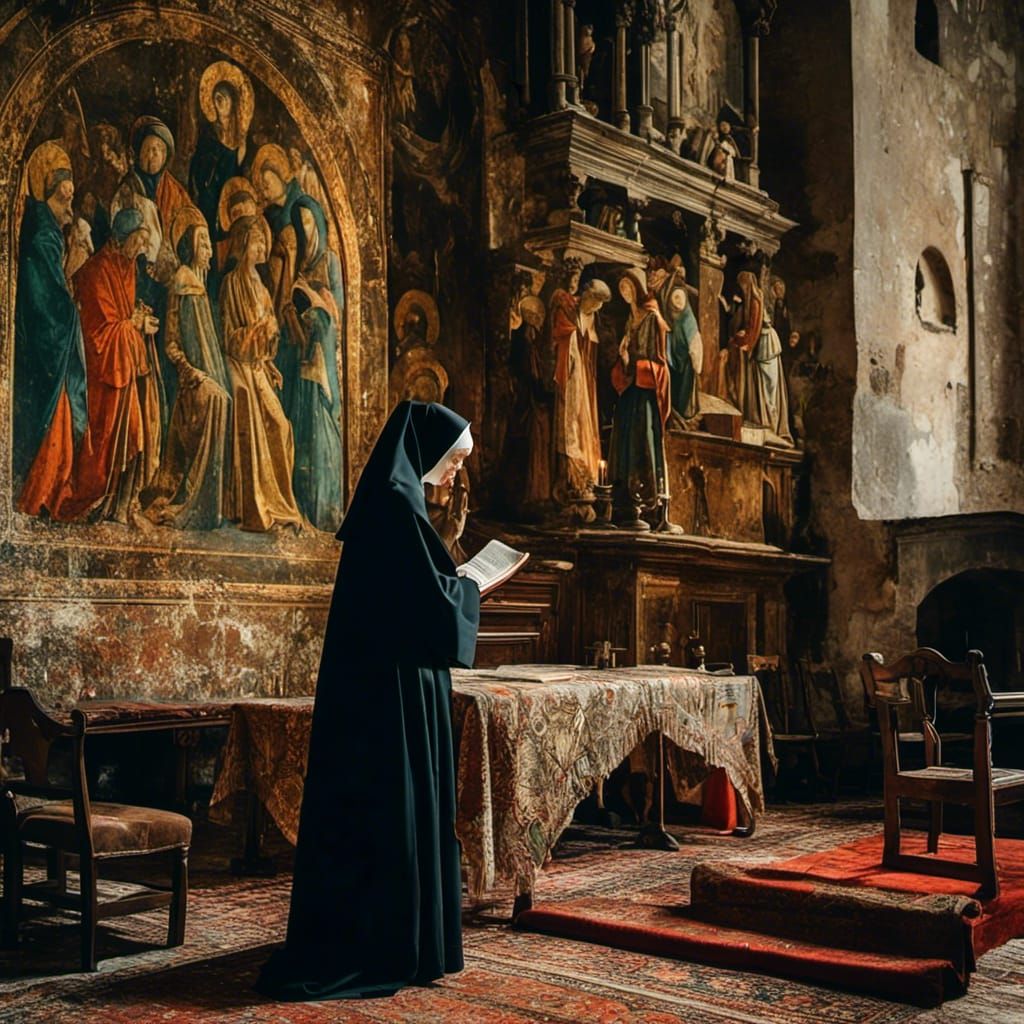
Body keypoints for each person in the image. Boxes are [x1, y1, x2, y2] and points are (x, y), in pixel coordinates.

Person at [257, 400, 480, 1001]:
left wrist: (451, 553)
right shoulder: (394, 505)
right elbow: (428, 606)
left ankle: (406, 938)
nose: (456, 474)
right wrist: (471, 587)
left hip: (394, 685)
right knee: (391, 806)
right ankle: (387, 942)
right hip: (386, 698)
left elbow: (414, 596)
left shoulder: (398, 506)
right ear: (428, 453)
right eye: (454, 462)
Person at [64, 207, 160, 523]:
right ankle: (104, 504)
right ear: (123, 238)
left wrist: (136, 319)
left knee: (138, 432)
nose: (142, 249)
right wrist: (135, 325)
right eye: (139, 241)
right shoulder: (96, 271)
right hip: (104, 373)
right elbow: (100, 333)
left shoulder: (127, 267)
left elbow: (122, 316)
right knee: (118, 437)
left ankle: (123, 506)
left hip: (125, 366)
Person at [143, 208, 232, 529]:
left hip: (207, 376)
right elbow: (171, 344)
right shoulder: (182, 282)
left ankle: (213, 504)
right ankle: (197, 499)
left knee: (226, 399)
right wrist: (190, 372)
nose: (208, 248)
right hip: (190, 383)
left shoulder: (201, 287)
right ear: (190, 245)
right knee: (217, 401)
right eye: (203, 242)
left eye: (209, 242)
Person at [13, 142, 88, 519]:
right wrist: (73, 272)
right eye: (65, 200)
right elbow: (50, 304)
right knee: (56, 419)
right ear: (51, 196)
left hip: (50, 345)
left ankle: (49, 493)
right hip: (47, 347)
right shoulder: (44, 236)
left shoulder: (47, 232)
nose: (70, 211)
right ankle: (41, 495)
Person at [219, 214, 304, 532]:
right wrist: (256, 333)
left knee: (281, 427)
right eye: (256, 242)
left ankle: (280, 503)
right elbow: (229, 336)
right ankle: (257, 506)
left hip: (258, 367)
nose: (261, 247)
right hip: (239, 365)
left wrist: (269, 361)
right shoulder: (231, 284)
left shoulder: (263, 288)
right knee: (251, 415)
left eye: (262, 242)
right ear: (243, 245)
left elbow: (271, 335)